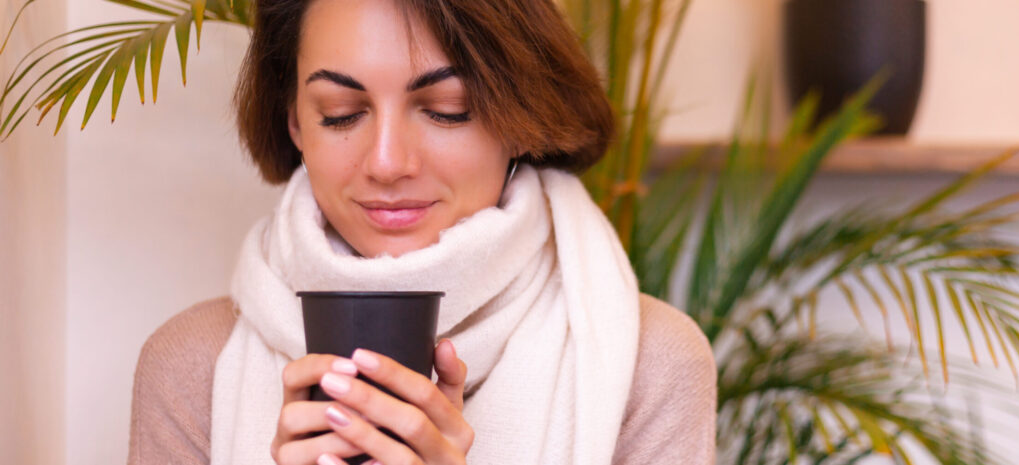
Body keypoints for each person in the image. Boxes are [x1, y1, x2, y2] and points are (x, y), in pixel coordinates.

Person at [126, 0, 717, 463]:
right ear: (295, 123)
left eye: (447, 108)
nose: (387, 162)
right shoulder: (192, 368)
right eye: (341, 114)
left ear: (520, 117)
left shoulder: (646, 364)